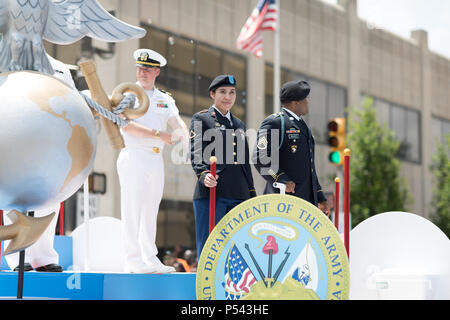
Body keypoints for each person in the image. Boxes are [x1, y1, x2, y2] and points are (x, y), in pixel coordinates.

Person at [117, 48, 189, 273]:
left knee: (150, 209)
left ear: (157, 71)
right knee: (132, 209)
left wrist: (185, 137)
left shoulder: (164, 99)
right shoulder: (128, 95)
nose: (143, 73)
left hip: (155, 158)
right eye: (140, 68)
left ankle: (150, 258)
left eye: (147, 69)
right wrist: (161, 135)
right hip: (135, 154)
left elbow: (177, 123)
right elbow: (125, 124)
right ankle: (132, 259)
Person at [2, 55, 76, 272]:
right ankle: (16, 258)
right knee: (15, 196)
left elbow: (72, 98)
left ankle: (43, 258)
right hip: (19, 133)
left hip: (52, 138)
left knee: (51, 196)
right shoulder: (10, 56)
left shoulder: (60, 66)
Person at [189, 75, 257, 257]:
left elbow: (244, 162)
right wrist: (203, 174)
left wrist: (251, 192)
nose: (228, 96)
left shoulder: (239, 124)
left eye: (232, 92)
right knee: (210, 247)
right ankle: (206, 285)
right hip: (213, 191)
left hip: (239, 193)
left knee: (238, 247)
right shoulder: (202, 119)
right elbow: (196, 152)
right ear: (212, 94)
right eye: (223, 92)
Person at [252, 80, 330, 216]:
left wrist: (320, 197)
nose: (308, 102)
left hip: (304, 202)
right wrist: (281, 179)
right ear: (296, 103)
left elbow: (309, 167)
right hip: (283, 201)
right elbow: (260, 157)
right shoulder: (275, 122)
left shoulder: (303, 126)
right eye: (305, 99)